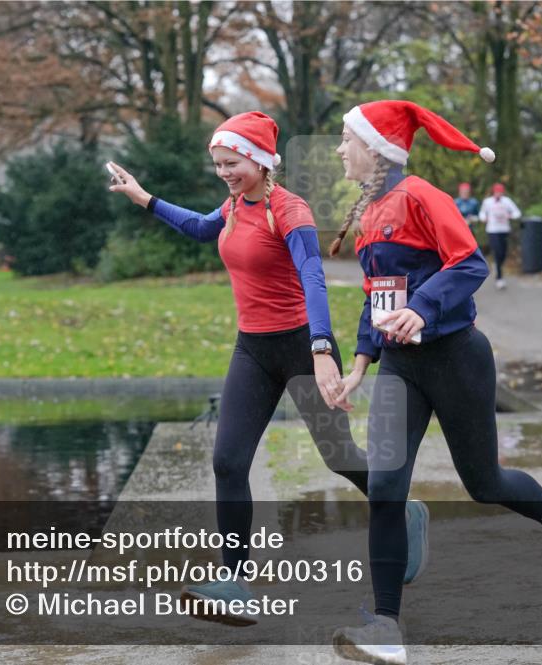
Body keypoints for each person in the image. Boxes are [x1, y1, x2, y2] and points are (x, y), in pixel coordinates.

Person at [107, 111, 429, 626]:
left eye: (231, 163)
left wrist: (320, 350)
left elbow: (313, 279)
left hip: (302, 345)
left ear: (259, 161)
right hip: (253, 349)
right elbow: (200, 228)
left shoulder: (290, 210)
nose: (224, 173)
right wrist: (144, 198)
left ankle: (402, 508)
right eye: (218, 165)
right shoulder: (235, 205)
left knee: (340, 457)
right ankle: (235, 582)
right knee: (228, 462)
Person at [327, 100, 542, 665]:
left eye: (347, 138)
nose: (340, 149)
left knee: (484, 483)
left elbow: (470, 263)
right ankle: (386, 625)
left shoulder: (423, 196)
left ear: (375, 148)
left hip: (457, 358)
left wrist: (421, 309)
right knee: (385, 486)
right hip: (401, 367)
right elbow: (377, 297)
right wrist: (360, 363)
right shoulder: (370, 212)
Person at [479, 182, 522, 290]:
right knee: (497, 251)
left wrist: (510, 216)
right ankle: (499, 278)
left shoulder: (507, 201)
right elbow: (482, 214)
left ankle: (497, 265)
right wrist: (484, 218)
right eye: (497, 192)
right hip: (492, 230)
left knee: (503, 253)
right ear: (493, 192)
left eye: (500, 192)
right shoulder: (487, 202)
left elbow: (517, 213)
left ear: (503, 192)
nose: (498, 194)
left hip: (504, 230)